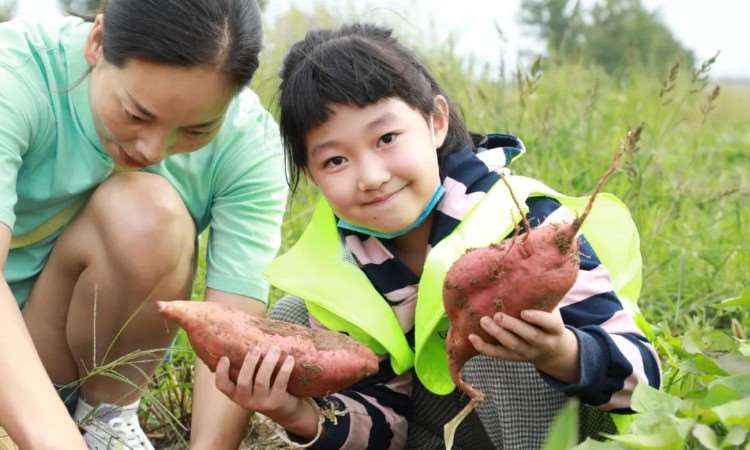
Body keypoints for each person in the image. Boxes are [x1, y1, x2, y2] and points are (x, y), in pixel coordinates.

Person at [213, 23, 661, 450]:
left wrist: (561, 352)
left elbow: (646, 379)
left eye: (386, 138)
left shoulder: (529, 227)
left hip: (551, 431)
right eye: (335, 161)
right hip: (435, 434)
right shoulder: (350, 264)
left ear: (436, 122)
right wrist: (299, 414)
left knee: (491, 315)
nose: (370, 177)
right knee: (294, 313)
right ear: (311, 174)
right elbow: (387, 428)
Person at [0, 1, 288, 449]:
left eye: (196, 130)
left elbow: (233, 327)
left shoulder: (251, 144)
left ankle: (105, 421)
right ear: (97, 42)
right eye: (137, 114)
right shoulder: (15, 74)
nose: (154, 149)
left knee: (145, 213)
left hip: (45, 350)